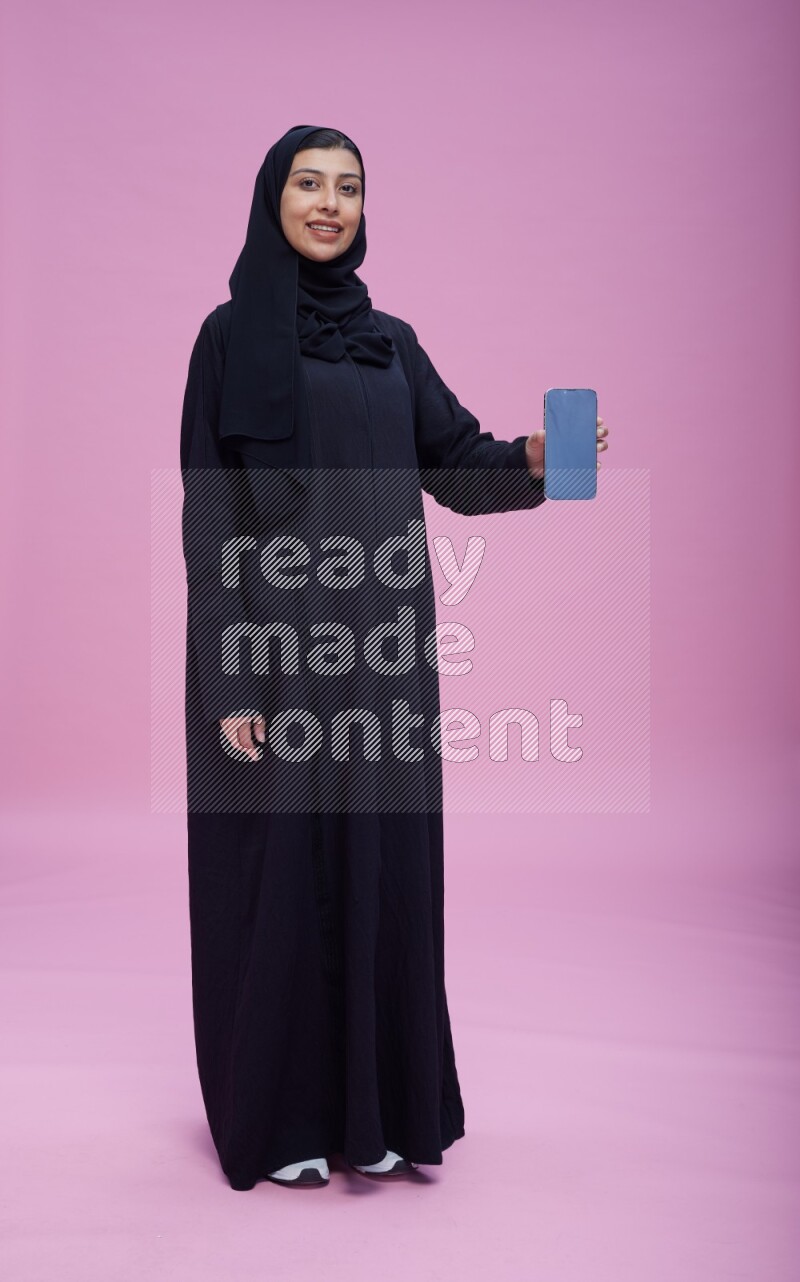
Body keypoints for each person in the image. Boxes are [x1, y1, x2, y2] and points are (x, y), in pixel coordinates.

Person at [179, 124, 609, 1191]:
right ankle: (279, 1120)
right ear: (270, 199)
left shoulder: (391, 342)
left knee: (381, 869)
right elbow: (209, 517)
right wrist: (229, 676)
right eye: (308, 184)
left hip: (382, 652)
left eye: (348, 188)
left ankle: (370, 1110)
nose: (329, 203)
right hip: (274, 653)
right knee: (280, 875)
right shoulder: (228, 338)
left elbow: (453, 462)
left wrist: (532, 459)